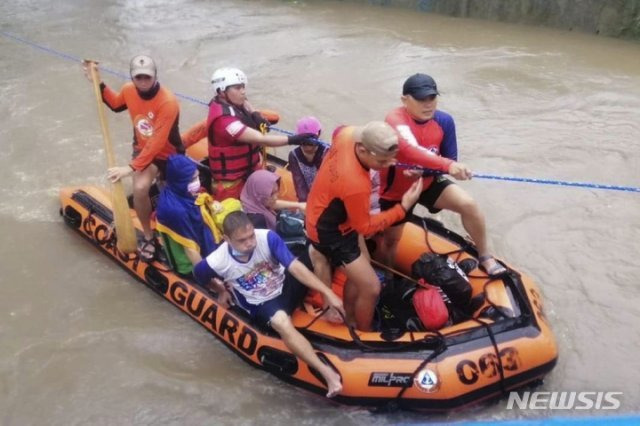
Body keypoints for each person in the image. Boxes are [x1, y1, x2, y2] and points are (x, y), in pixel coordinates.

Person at [193, 211, 344, 398]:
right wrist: (221, 290)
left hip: (284, 285)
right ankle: (326, 373)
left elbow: (294, 266)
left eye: (251, 236)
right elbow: (199, 275)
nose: (250, 243)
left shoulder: (267, 237)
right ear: (227, 239)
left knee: (315, 251)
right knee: (281, 322)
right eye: (242, 240)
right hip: (262, 301)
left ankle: (328, 309)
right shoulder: (217, 261)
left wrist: (328, 293)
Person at [379, 73, 507, 277]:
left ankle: (485, 256)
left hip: (428, 182)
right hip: (397, 191)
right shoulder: (395, 119)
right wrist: (449, 166)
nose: (428, 104)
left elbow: (450, 157)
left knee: (469, 205)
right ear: (405, 100)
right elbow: (411, 149)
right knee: (391, 241)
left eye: (432, 98)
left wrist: (428, 170)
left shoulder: (444, 121)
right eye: (421, 99)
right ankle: (389, 276)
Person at [305, 121, 423, 331]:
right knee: (371, 287)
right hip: (329, 231)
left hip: (329, 211)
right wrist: (403, 208)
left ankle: (350, 315)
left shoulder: (347, 135)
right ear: (362, 149)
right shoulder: (356, 184)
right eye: (382, 161)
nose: (387, 165)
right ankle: (364, 332)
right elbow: (366, 227)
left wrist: (402, 163)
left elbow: (350, 131)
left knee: (363, 268)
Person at [83, 55, 184, 261]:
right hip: (142, 149)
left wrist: (130, 167)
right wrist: (97, 82)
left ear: (155, 76)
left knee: (179, 199)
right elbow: (115, 103)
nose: (143, 81)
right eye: (139, 78)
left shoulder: (167, 101)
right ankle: (148, 235)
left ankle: (181, 233)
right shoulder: (129, 90)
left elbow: (158, 140)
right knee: (139, 188)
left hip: (168, 153)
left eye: (147, 77)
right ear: (132, 78)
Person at [181, 68, 315, 200]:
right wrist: (294, 140)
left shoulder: (231, 102)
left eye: (243, 86)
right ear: (221, 91)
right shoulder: (224, 122)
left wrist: (255, 113)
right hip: (233, 183)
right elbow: (261, 139)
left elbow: (245, 102)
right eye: (237, 88)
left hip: (252, 168)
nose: (243, 91)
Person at [155, 155, 240, 277]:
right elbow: (190, 250)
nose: (196, 182)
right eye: (191, 180)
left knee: (234, 205)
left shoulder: (181, 191)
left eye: (196, 177)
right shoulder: (176, 211)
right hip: (190, 264)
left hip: (205, 240)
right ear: (181, 181)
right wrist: (209, 278)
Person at [240, 169, 305, 230]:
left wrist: (298, 205)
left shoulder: (251, 201)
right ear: (258, 195)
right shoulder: (257, 221)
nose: (276, 197)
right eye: (271, 194)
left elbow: (273, 204)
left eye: (276, 191)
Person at [287, 116, 328, 202]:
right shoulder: (294, 155)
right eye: (304, 142)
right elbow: (299, 183)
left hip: (325, 194)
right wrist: (304, 203)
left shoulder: (326, 152)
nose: (307, 146)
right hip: (308, 196)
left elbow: (328, 181)